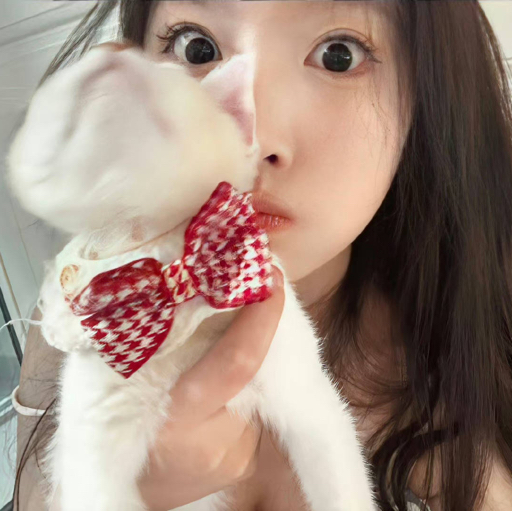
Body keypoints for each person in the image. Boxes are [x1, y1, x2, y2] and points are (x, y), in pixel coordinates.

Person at [11, 1, 512, 510]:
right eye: (196, 47)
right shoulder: (84, 314)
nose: (251, 135)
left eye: (339, 55)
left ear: (427, 93)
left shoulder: (489, 348)